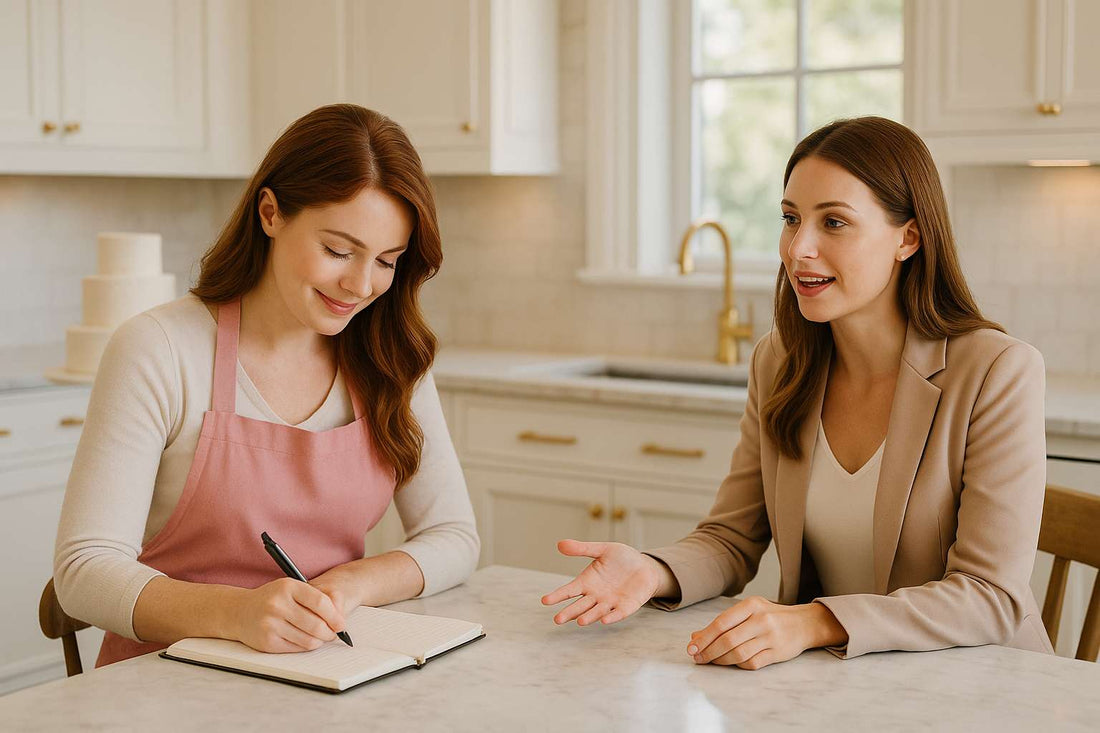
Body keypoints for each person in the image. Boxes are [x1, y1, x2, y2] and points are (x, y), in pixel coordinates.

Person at [541, 116, 1054, 670]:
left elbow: (990, 594)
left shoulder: (997, 371)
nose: (798, 247)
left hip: (982, 688)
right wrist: (651, 570)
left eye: (834, 222)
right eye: (791, 219)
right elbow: (731, 538)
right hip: (837, 683)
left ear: (908, 236)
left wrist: (814, 620)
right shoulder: (780, 362)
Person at [54, 104, 479, 666]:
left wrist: (350, 585)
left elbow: (453, 536)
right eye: (337, 250)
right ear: (271, 212)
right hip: (163, 685)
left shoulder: (391, 358)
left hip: (324, 671)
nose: (359, 284)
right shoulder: (159, 348)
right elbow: (84, 572)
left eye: (386, 261)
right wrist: (237, 614)